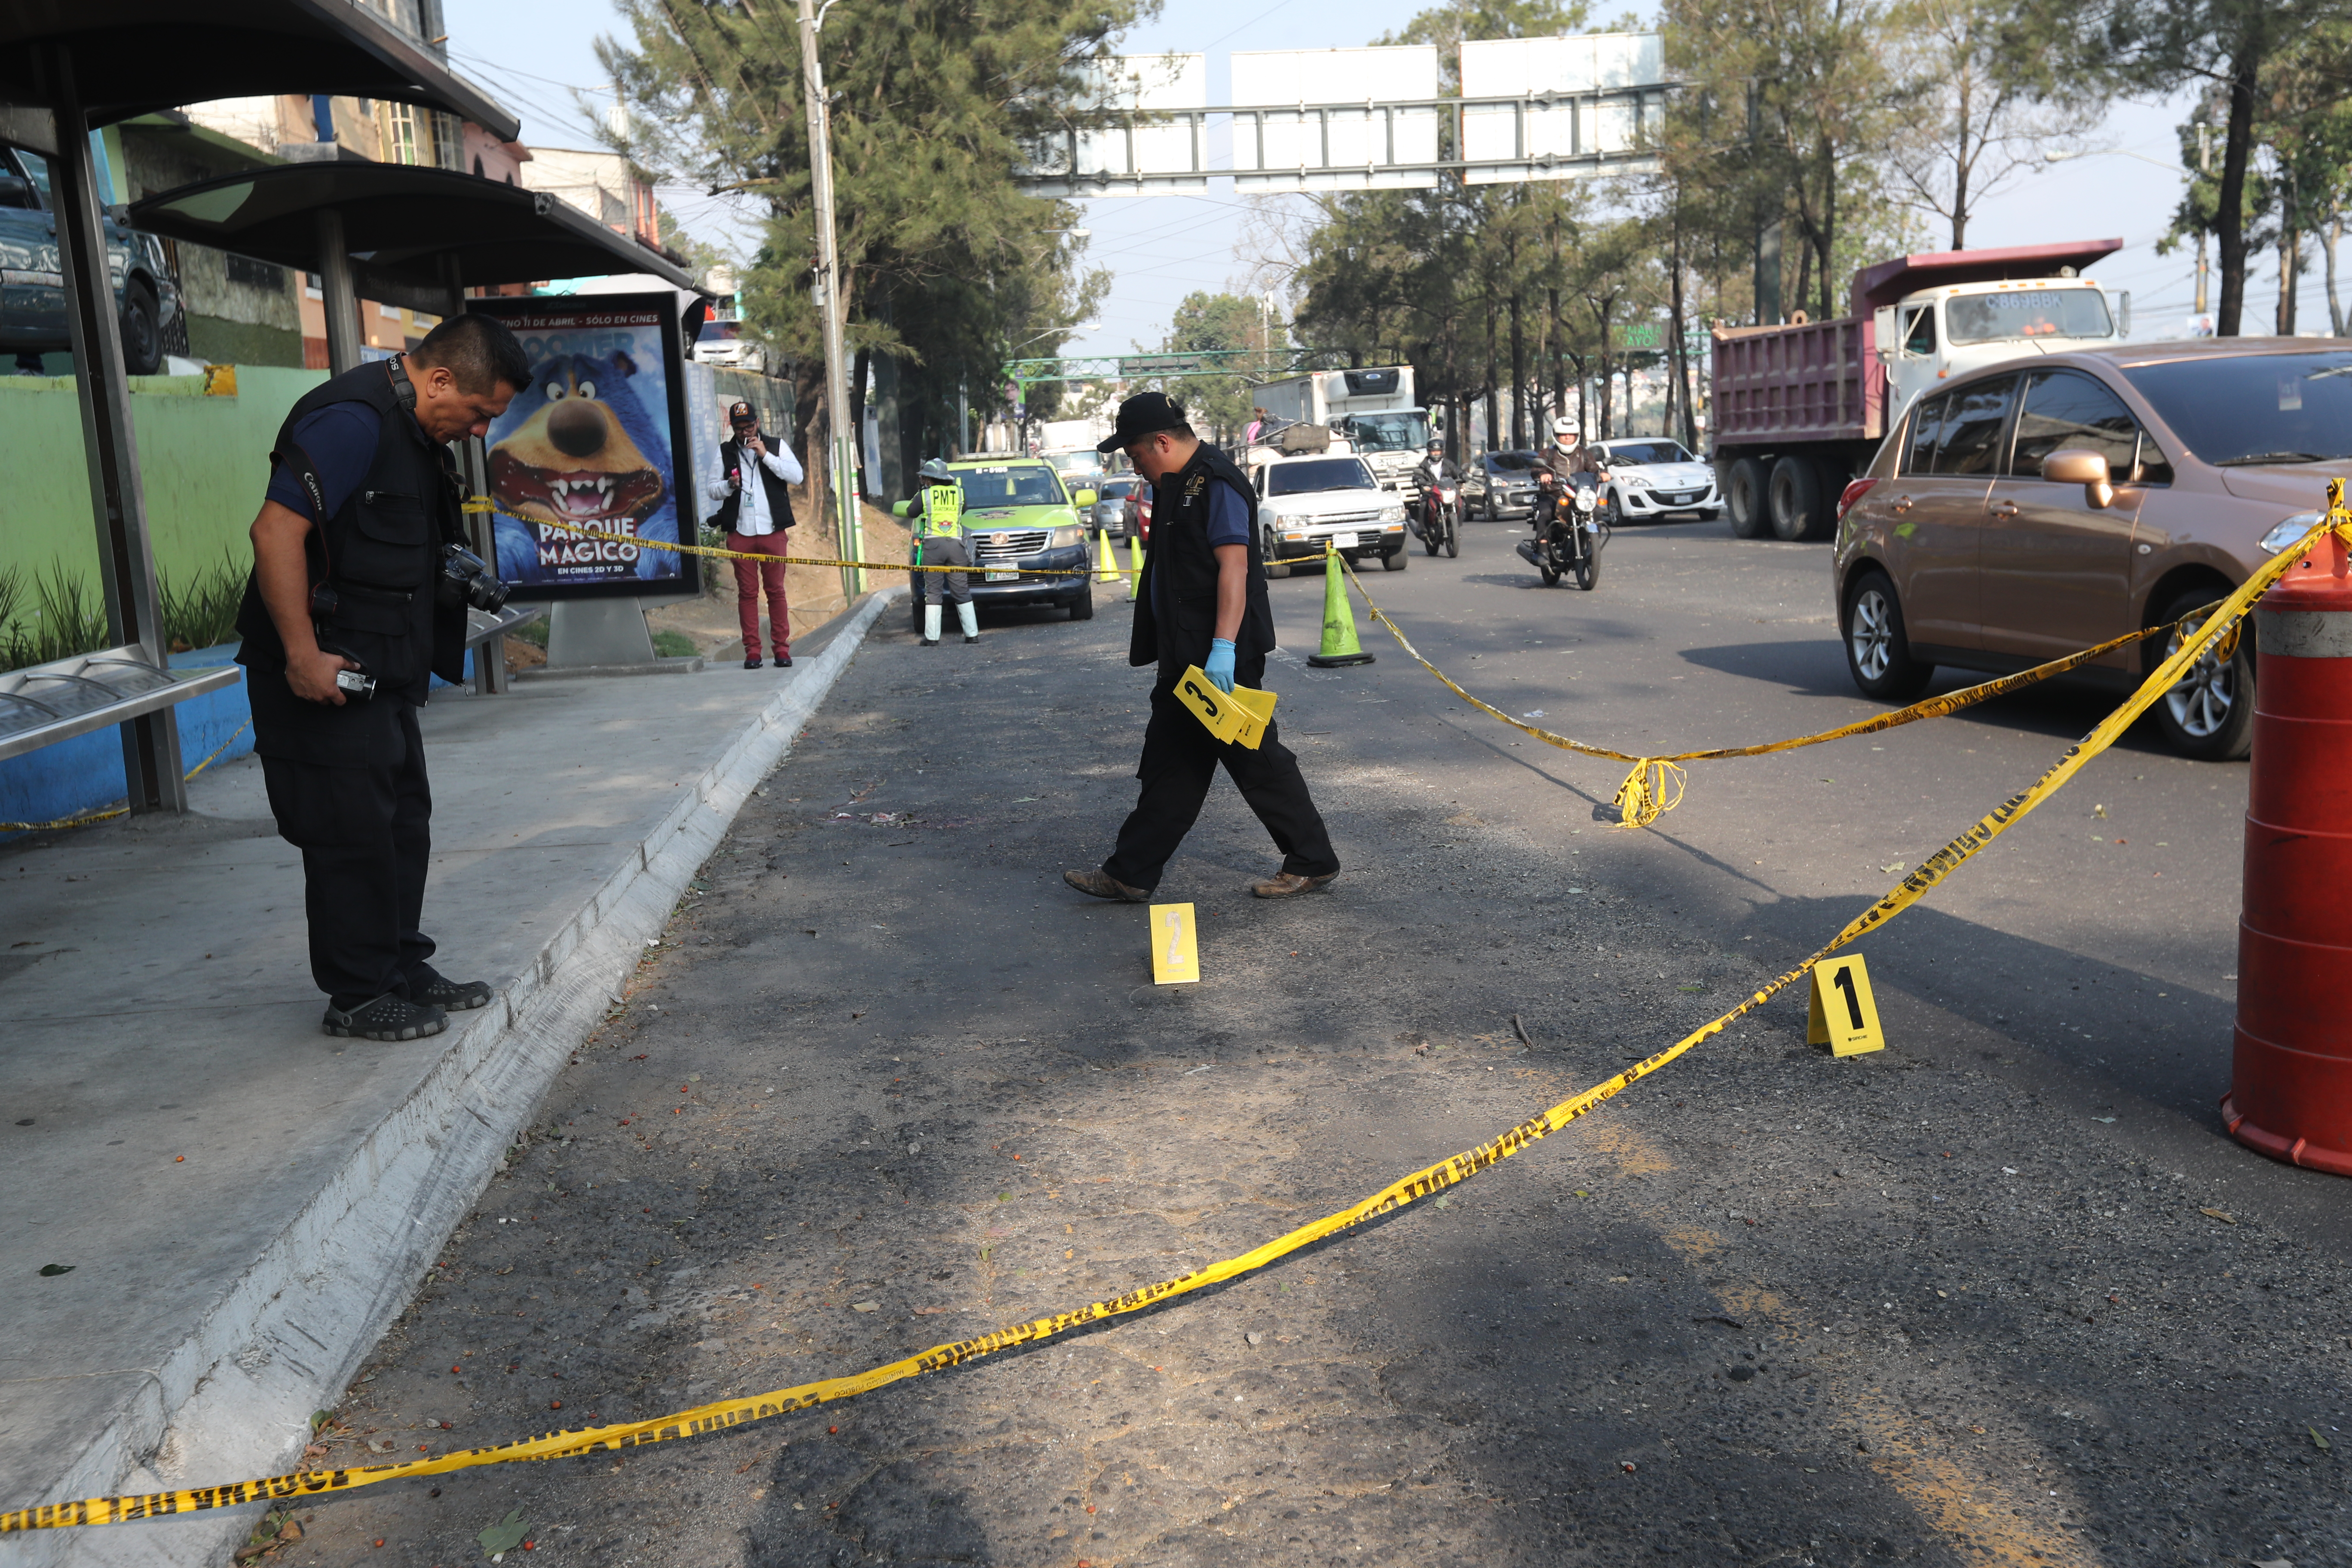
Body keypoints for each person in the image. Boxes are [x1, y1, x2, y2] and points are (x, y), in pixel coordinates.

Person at [233, 314, 530, 1043]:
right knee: (350, 833)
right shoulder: (352, 420)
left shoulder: (418, 433)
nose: (480, 431)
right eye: (480, 413)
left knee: (401, 822)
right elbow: (275, 531)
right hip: (324, 672)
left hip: (382, 673)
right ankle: (359, 994)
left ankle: (398, 963)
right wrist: (302, 654)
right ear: (437, 380)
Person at [1064, 392, 1341, 903]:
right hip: (1185, 654)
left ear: (1162, 442)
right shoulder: (1175, 484)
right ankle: (1131, 872)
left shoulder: (1216, 482)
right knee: (1174, 762)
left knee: (1251, 756)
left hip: (1217, 656)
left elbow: (1234, 567)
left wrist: (1222, 649)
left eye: (1135, 453)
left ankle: (1312, 860)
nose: (1133, 463)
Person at [704, 401, 805, 669]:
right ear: (732, 429)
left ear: (757, 424)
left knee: (776, 591)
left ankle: (782, 650)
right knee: (748, 593)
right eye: (739, 428)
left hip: (773, 531)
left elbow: (797, 476)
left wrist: (766, 456)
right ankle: (752, 651)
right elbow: (711, 489)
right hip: (741, 532)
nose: (745, 432)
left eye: (749, 426)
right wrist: (729, 485)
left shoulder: (775, 445)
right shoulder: (725, 452)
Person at [902, 458, 978, 646]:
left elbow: (911, 512)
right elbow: (963, 511)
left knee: (934, 592)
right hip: (956, 546)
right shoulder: (959, 493)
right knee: (961, 590)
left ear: (929, 479)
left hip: (933, 548)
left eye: (925, 479)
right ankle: (972, 634)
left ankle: (932, 638)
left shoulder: (925, 495)